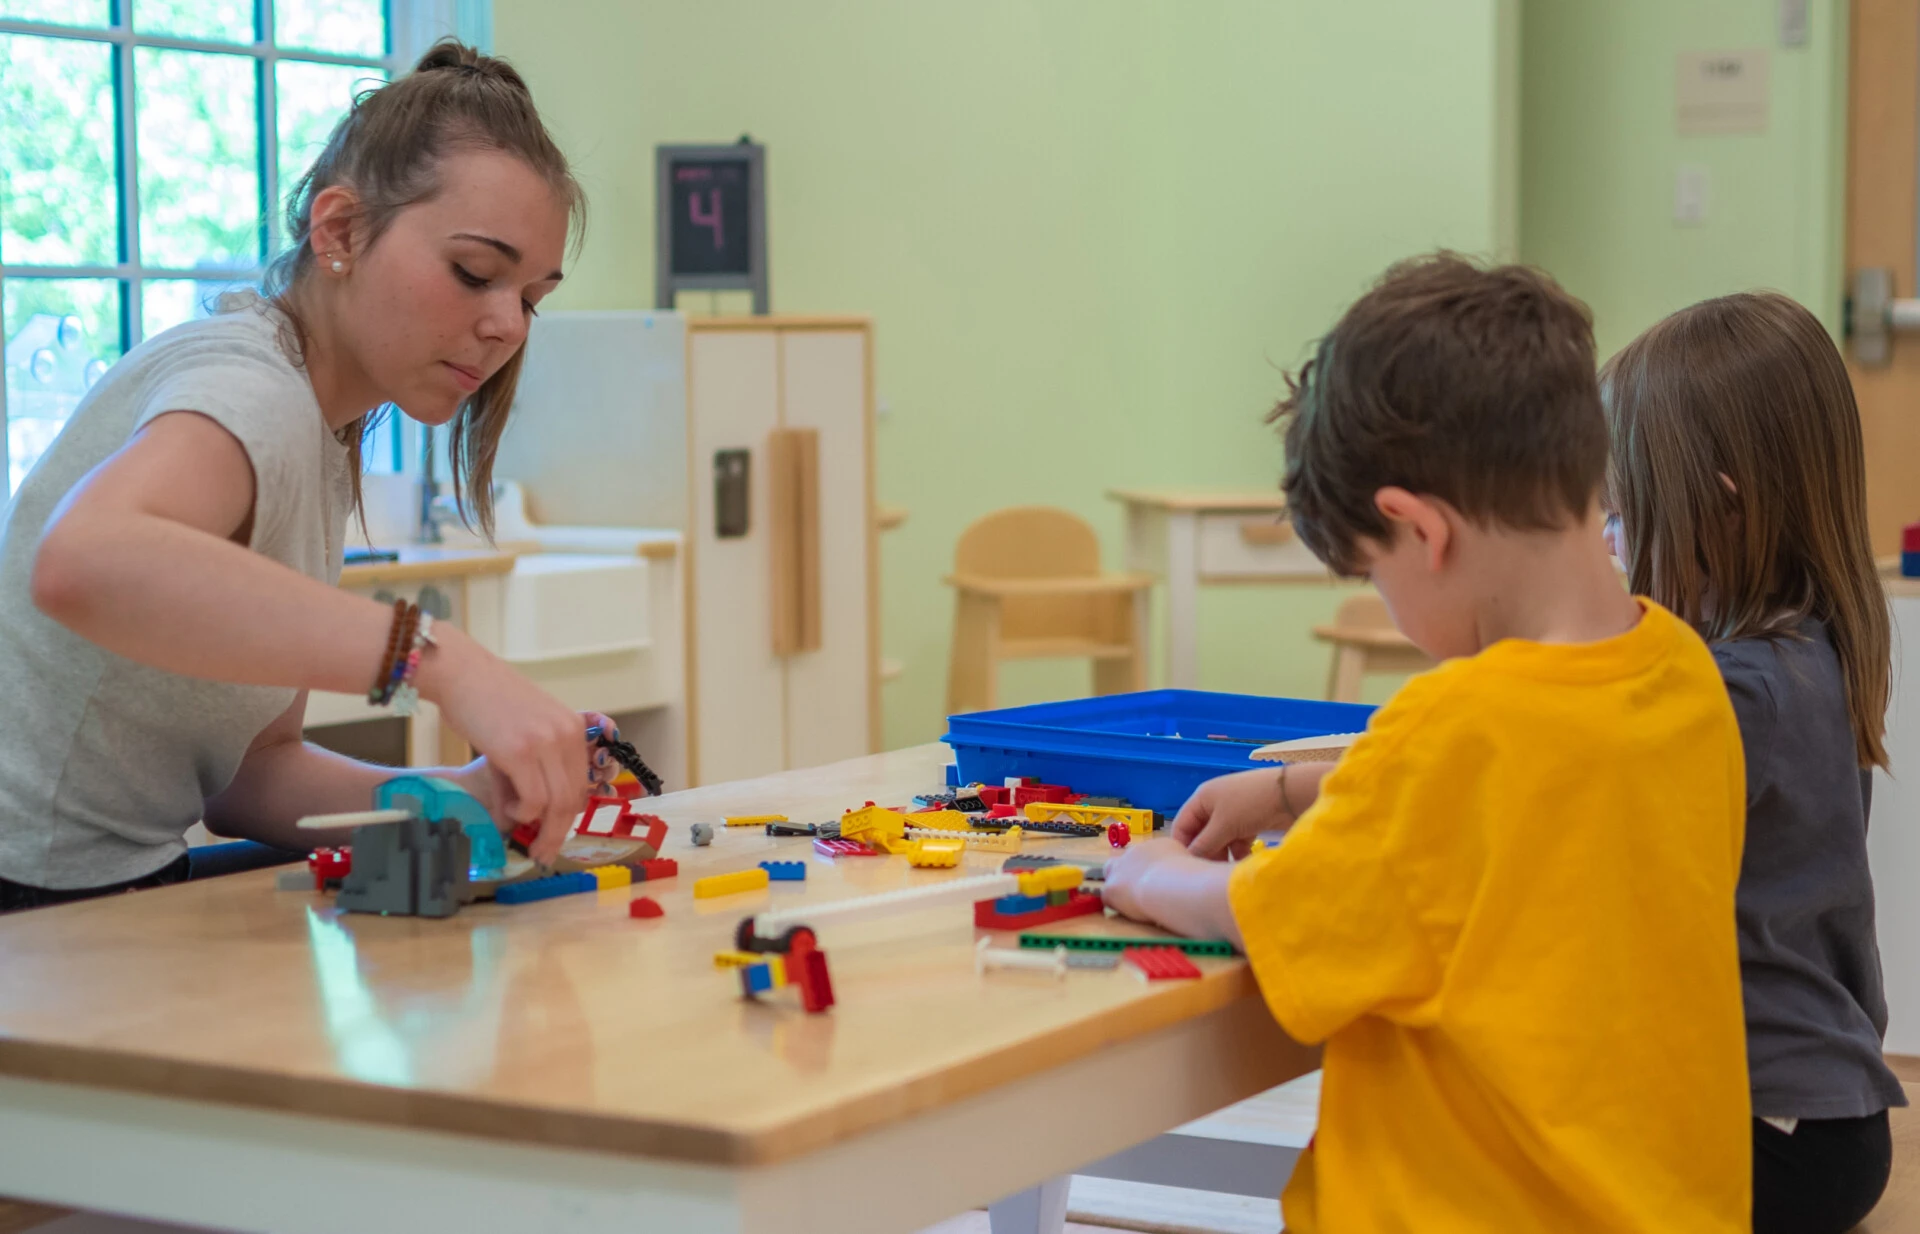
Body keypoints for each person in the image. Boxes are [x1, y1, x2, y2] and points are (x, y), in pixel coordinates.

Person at [1102, 254, 1752, 1232]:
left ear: (1417, 527)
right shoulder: (1682, 672)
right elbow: (1527, 809)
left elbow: (1270, 909)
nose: (1389, 605)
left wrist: (1149, 873)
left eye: (1374, 573)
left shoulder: (1453, 724)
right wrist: (1291, 793)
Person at [0, 40, 614, 912]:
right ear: (340, 232)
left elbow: (248, 771)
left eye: (530, 297)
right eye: (476, 273)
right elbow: (83, 561)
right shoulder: (253, 386)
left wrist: (461, 798)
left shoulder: (322, 429)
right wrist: (440, 659)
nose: (507, 325)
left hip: (114, 884)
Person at [1602, 292, 1906, 1234]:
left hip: (1770, 1131)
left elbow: (1547, 789)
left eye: (1621, 514)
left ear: (1717, 507)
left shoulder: (1733, 694)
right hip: (1824, 1119)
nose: (1609, 542)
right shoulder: (1805, 653)